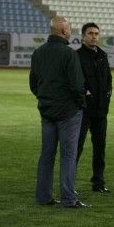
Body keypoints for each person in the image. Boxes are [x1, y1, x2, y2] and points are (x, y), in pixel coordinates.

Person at [29, 15, 90, 208]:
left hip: (47, 111)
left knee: (47, 154)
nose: (70, 31)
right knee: (68, 155)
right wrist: (80, 103)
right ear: (64, 31)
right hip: (68, 112)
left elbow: (34, 83)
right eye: (69, 28)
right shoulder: (68, 54)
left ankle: (43, 196)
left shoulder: (38, 53)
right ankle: (68, 199)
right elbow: (77, 85)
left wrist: (45, 99)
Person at [76, 22, 113, 193]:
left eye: (96, 33)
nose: (94, 36)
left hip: (101, 111)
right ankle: (69, 184)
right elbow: (76, 81)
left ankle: (98, 183)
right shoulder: (76, 56)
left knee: (100, 149)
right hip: (83, 111)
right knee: (76, 148)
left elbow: (108, 79)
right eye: (90, 33)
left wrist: (108, 94)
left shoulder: (103, 55)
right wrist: (86, 94)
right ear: (83, 36)